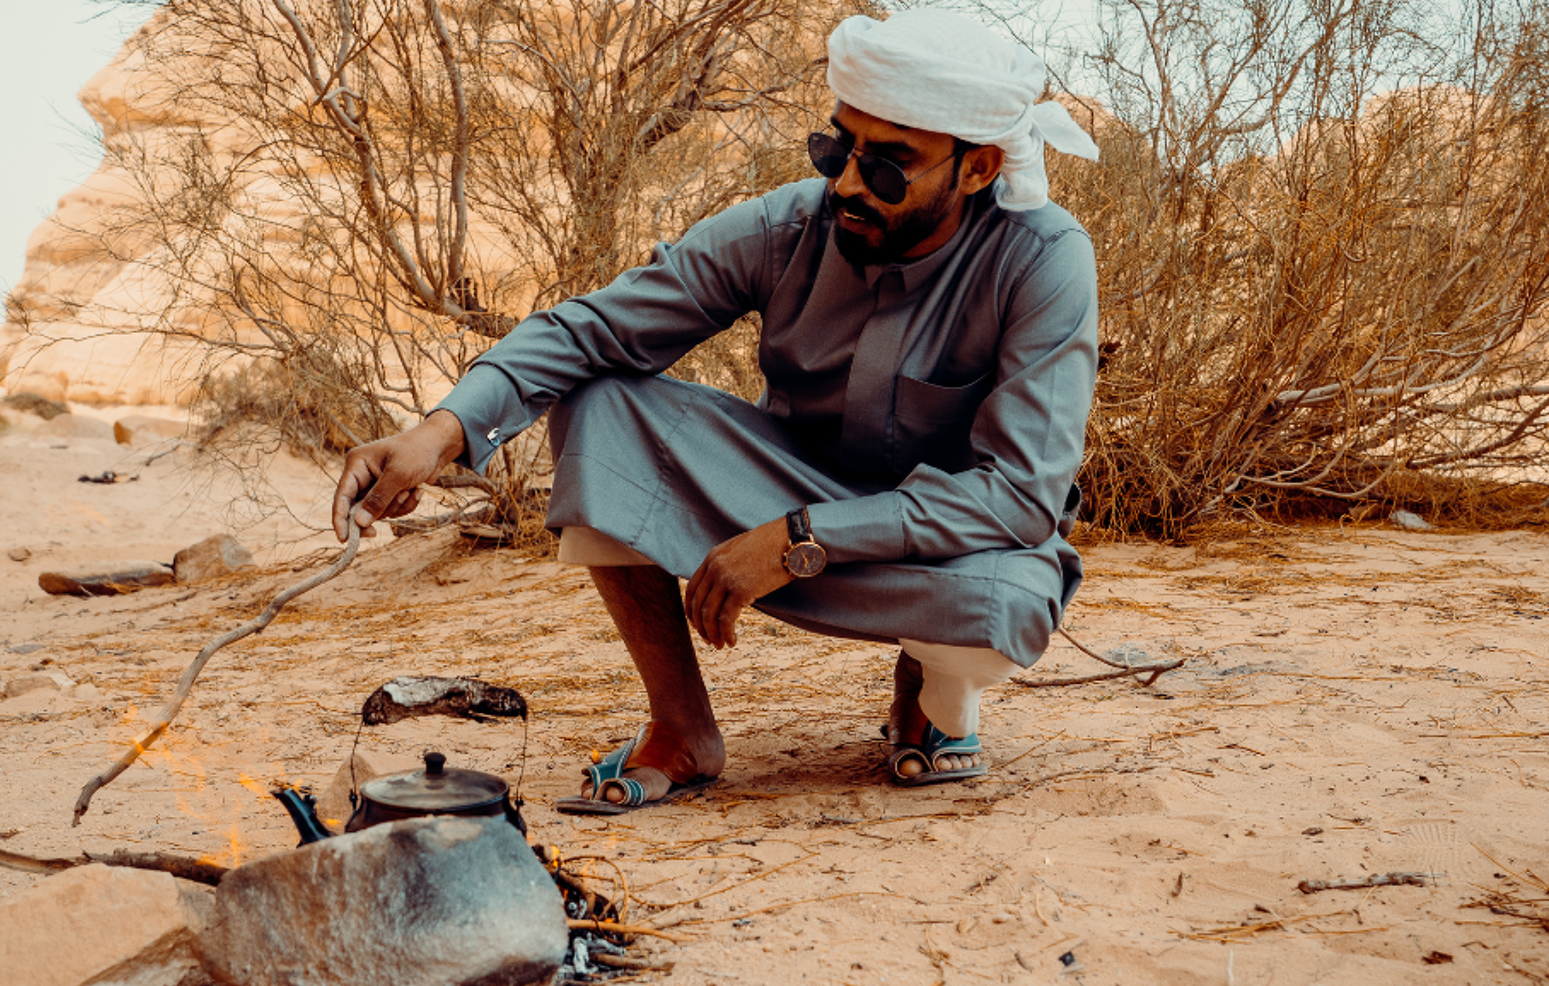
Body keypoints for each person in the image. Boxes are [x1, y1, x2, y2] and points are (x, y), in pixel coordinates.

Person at [333, 8, 1100, 814]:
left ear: (976, 169)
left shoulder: (1043, 260)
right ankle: (682, 728)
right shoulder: (790, 224)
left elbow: (1018, 495)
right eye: (838, 147)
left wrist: (804, 539)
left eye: (887, 165)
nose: (843, 182)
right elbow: (594, 328)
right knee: (600, 405)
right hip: (787, 480)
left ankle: (935, 694)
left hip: (946, 534)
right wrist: (440, 432)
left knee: (1004, 612)